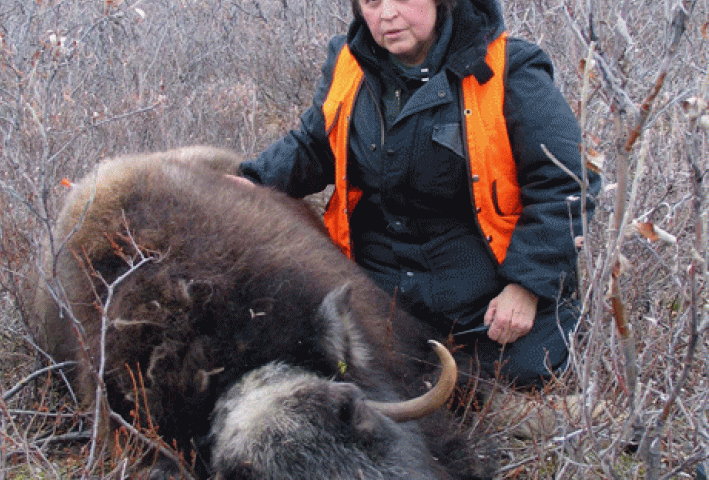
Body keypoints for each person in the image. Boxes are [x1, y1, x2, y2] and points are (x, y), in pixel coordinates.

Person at [236, 0, 600, 390]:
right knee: (324, 363)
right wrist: (250, 184)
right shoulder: (349, 62)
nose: (386, 14)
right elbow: (314, 145)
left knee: (516, 376)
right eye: (371, 2)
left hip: (486, 299)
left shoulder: (510, 68)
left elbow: (566, 181)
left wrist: (527, 286)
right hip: (379, 289)